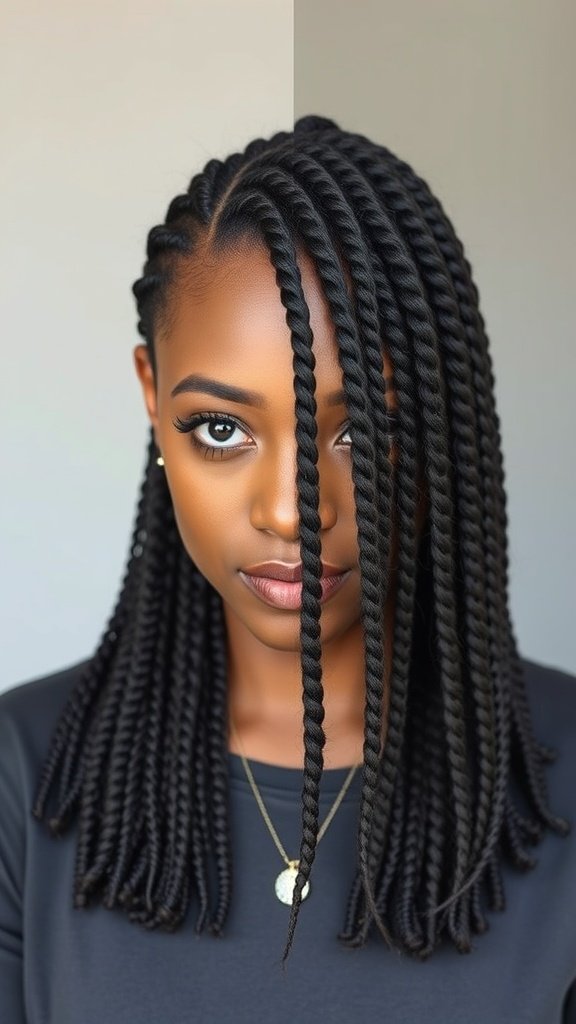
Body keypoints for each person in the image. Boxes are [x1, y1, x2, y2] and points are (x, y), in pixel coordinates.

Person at [1, 114, 575, 1023]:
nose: (291, 509)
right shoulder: (23, 777)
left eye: (364, 432)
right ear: (154, 398)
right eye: (221, 429)